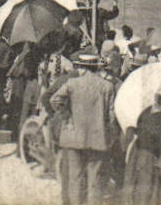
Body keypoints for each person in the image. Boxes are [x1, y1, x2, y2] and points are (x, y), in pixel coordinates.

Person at [49, 51, 117, 205]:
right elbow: (111, 115)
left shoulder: (72, 84)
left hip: (73, 137)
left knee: (75, 178)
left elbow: (55, 100)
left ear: (83, 68)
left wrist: (66, 114)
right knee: (95, 179)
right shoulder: (107, 86)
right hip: (98, 138)